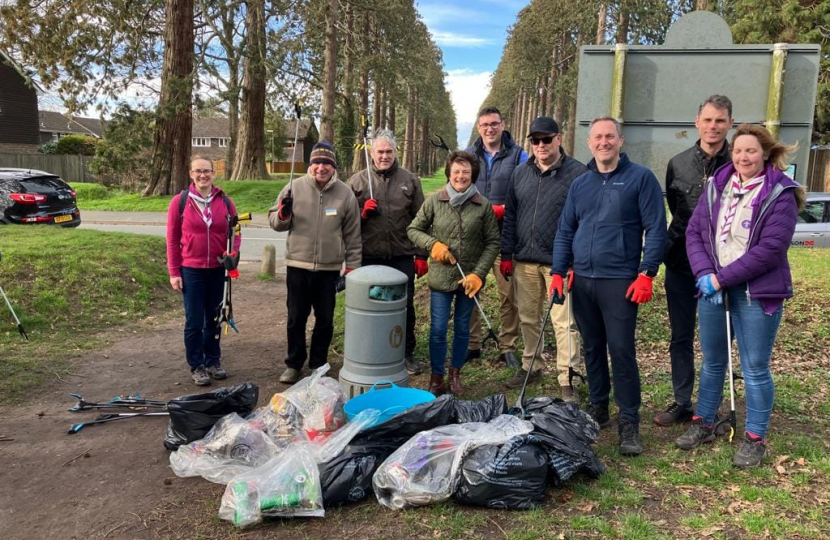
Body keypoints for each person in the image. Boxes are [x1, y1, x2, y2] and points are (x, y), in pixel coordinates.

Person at [677, 124, 803, 468]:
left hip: (756, 293)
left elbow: (770, 250)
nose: (743, 157)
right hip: (714, 289)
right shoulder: (718, 184)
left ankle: (754, 437)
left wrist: (720, 280)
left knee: (755, 367)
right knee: (713, 361)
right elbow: (696, 232)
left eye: (750, 151)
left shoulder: (780, 192)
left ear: (764, 153)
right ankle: (703, 421)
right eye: (737, 151)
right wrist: (704, 274)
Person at [552, 117, 666, 456]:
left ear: (620, 140)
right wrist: (559, 271)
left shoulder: (640, 179)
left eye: (609, 136)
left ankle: (629, 420)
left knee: (620, 349)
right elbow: (565, 230)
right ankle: (598, 408)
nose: (604, 142)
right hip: (583, 280)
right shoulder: (581, 184)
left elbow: (657, 228)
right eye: (598, 137)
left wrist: (647, 273)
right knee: (591, 348)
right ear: (589, 143)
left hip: (620, 281)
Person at [656, 95, 734, 427]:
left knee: (717, 340)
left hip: (724, 267)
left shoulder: (741, 162)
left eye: (720, 120)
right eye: (708, 119)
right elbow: (676, 210)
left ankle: (711, 402)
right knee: (681, 335)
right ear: (696, 122)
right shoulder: (678, 163)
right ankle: (682, 401)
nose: (713, 126)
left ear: (730, 123)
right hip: (680, 263)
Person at [500, 116, 587, 401]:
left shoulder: (578, 174)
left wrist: (574, 262)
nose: (540, 145)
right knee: (528, 317)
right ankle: (531, 366)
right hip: (524, 260)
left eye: (546, 139)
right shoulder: (520, 173)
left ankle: (568, 378)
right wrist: (506, 253)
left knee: (564, 323)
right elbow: (510, 216)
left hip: (559, 265)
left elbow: (584, 221)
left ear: (559, 138)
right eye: (535, 140)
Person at [407, 151, 500, 396]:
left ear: (473, 175)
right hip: (441, 279)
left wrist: (479, 274)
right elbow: (414, 229)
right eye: (456, 171)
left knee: (462, 328)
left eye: (466, 172)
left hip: (469, 280)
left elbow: (492, 242)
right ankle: (436, 376)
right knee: (437, 329)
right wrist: (433, 246)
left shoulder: (483, 205)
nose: (460, 176)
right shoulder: (435, 201)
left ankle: (455, 373)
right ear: (449, 173)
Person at [269, 141, 362, 384]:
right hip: (298, 266)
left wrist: (352, 266)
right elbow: (275, 222)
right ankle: (294, 363)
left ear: (333, 167)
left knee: (325, 318)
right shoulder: (293, 187)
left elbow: (353, 234)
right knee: (296, 317)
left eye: (326, 164)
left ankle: (318, 363)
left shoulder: (345, 193)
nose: (321, 168)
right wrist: (283, 213)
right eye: (317, 163)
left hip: (329, 269)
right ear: (310, 165)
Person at [348, 128, 427, 376]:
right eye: (380, 151)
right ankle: (371, 350)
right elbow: (345, 224)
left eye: (389, 151)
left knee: (404, 306)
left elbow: (422, 220)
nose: (385, 156)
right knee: (370, 306)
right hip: (369, 256)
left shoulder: (410, 181)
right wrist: (362, 213)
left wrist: (422, 255)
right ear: (371, 153)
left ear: (395, 152)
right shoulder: (358, 182)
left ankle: (405, 353)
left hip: (401, 254)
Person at [166, 156, 241, 386]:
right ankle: (196, 365)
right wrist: (174, 271)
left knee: (215, 318)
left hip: (218, 270)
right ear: (191, 173)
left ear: (213, 173)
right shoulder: (180, 202)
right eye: (198, 171)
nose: (202, 175)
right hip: (192, 270)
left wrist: (233, 255)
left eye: (207, 171)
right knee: (194, 321)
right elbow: (172, 239)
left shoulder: (226, 202)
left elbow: (235, 232)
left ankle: (213, 361)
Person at [464, 106, 528, 367]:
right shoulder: (469, 155)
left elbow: (526, 190)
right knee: (470, 289)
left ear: (503, 125)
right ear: (479, 128)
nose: (489, 129)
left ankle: (507, 345)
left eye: (494, 124)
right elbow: (458, 187)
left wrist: (505, 209)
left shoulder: (519, 155)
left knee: (508, 294)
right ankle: (472, 344)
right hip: (474, 236)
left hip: (505, 236)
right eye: (484, 125)